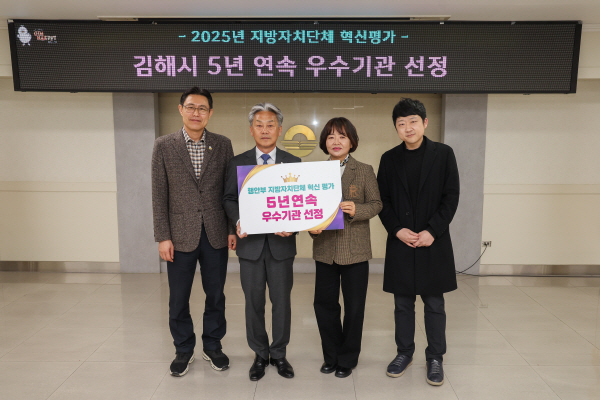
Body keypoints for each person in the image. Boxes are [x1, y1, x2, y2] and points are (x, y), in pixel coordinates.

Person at [151, 87, 236, 377]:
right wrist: (162, 236)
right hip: (178, 236)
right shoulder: (164, 145)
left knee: (216, 295)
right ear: (181, 109)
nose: (196, 113)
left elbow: (229, 192)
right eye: (190, 107)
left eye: (202, 108)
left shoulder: (222, 144)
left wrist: (230, 229)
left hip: (215, 233)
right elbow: (159, 194)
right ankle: (183, 349)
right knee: (178, 297)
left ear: (210, 113)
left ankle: (212, 345)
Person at [377, 98, 460, 386]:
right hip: (401, 240)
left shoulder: (444, 154)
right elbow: (383, 201)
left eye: (413, 121)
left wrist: (432, 231)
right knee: (402, 303)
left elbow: (451, 197)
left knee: (434, 303)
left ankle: (435, 357)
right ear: (396, 128)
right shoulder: (389, 159)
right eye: (401, 123)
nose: (408, 128)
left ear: (424, 122)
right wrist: (396, 229)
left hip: (433, 241)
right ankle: (404, 353)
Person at [223, 102, 301, 381]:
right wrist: (237, 221)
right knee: (253, 302)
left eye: (270, 125)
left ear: (279, 130)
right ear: (251, 129)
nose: (265, 130)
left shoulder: (293, 163)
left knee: (282, 303)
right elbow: (229, 198)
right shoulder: (238, 162)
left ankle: (279, 354)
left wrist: (293, 226)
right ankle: (259, 354)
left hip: (282, 247)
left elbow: (300, 203)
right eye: (259, 125)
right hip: (250, 247)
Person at [309, 117, 382, 378]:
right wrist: (311, 227)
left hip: (355, 250)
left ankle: (348, 358)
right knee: (324, 305)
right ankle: (331, 356)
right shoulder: (314, 172)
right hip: (325, 249)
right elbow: (308, 208)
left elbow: (376, 204)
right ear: (324, 142)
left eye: (342, 136)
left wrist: (356, 209)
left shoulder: (364, 170)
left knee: (354, 307)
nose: (336, 141)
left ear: (352, 141)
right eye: (331, 137)